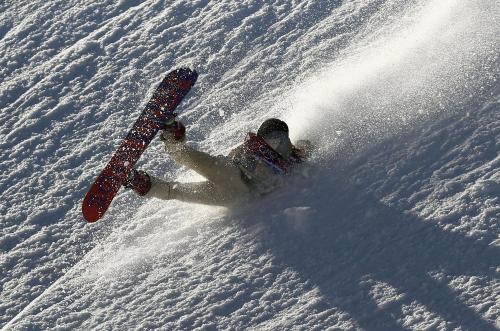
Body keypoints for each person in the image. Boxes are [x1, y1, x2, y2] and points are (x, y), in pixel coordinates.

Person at [123, 118, 312, 206]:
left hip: (237, 194)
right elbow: (231, 158)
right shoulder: (254, 148)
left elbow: (304, 153)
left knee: (181, 183)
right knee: (184, 176)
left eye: (278, 140)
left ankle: (145, 181)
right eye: (270, 140)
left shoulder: (293, 161)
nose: (274, 144)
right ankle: (172, 139)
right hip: (232, 180)